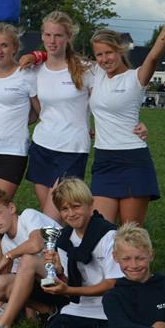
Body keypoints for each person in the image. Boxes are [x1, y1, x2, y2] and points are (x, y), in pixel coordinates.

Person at [89, 0, 165, 226]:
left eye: (109, 52)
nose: (104, 59)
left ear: (120, 49)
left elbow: (154, 55)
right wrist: (37, 56)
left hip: (133, 159)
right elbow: (63, 59)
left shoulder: (136, 77)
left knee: (129, 235)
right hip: (103, 159)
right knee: (99, 230)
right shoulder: (96, 73)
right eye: (99, 55)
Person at [38, 178, 121, 328]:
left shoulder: (109, 235)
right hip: (80, 307)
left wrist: (69, 289)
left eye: (76, 206)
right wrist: (59, 273)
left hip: (111, 307)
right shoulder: (64, 239)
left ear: (90, 205)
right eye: (64, 209)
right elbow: (70, 286)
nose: (71, 214)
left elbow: (112, 284)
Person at [0, 189, 64, 328]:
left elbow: (36, 244)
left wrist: (9, 256)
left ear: (11, 208)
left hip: (68, 276)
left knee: (27, 259)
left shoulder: (28, 216)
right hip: (47, 285)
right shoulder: (6, 242)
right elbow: (21, 281)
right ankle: (49, 312)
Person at [27, 12, 93, 220]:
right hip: (42, 146)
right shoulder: (35, 71)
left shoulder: (86, 70)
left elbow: (104, 103)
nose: (52, 41)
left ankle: (46, 251)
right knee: (54, 213)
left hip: (72, 149)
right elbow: (39, 110)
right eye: (47, 35)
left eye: (58, 35)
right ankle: (60, 250)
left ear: (69, 37)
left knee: (52, 214)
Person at [0, 23, 38, 199]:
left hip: (13, 150)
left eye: (4, 45)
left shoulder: (26, 75)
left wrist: (14, 124)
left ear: (15, 48)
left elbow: (38, 112)